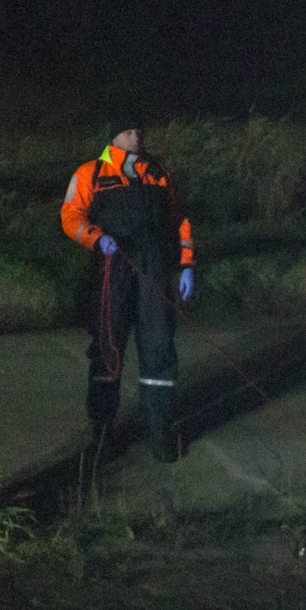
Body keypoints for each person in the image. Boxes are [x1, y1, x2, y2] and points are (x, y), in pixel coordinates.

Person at [60, 123, 194, 464]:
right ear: (112, 135)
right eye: (128, 130)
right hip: (111, 271)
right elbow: (70, 215)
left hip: (155, 271)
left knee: (160, 348)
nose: (136, 136)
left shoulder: (157, 173)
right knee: (107, 349)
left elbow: (179, 220)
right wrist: (94, 237)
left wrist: (188, 263)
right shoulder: (91, 172)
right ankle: (103, 433)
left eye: (139, 130)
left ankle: (160, 431)